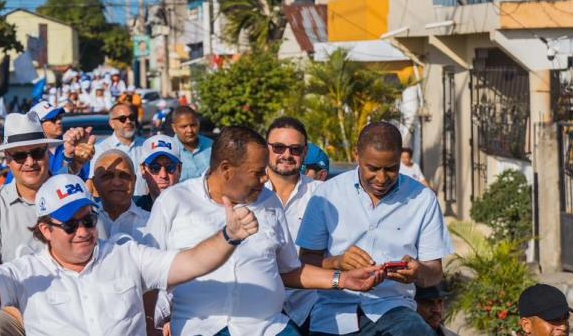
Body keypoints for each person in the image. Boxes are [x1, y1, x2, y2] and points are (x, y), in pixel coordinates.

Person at [0, 173, 276, 336]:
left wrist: (229, 235)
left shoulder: (126, 255)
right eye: (70, 225)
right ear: (45, 231)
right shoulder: (26, 271)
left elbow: (191, 262)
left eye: (88, 220)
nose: (84, 230)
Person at [146, 126, 384, 336]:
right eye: (258, 173)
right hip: (203, 328)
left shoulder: (269, 202)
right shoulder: (173, 202)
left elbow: (290, 271)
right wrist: (151, 326)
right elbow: (147, 275)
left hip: (270, 327)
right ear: (227, 169)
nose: (265, 179)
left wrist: (343, 279)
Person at [297, 122, 454, 336]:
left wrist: (418, 272)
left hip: (394, 309)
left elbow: (435, 272)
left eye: (391, 169)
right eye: (373, 168)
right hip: (333, 311)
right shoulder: (326, 195)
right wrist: (338, 263)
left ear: (401, 160)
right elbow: (305, 261)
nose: (381, 178)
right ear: (357, 156)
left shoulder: (423, 200)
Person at [0, 112, 95, 335]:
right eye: (19, 156)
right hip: (15, 309)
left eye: (36, 152)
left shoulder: (72, 192)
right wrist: (30, 317)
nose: (29, 162)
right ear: (7, 158)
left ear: (47, 153)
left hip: (76, 301)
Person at [263, 117, 320, 334]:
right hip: (257, 309)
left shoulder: (322, 195)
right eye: (278, 147)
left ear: (304, 152)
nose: (286, 155)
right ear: (266, 148)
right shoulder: (248, 193)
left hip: (310, 308)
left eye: (295, 149)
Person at [92, 150, 150, 243]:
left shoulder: (151, 222)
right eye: (108, 176)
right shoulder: (86, 222)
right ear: (95, 183)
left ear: (134, 180)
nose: (117, 183)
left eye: (124, 176)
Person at [91, 103, 148, 195]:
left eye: (131, 117)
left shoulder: (146, 145)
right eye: (122, 119)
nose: (128, 121)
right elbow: (94, 184)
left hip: (144, 206)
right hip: (114, 207)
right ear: (112, 124)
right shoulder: (101, 149)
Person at [134, 134, 182, 212]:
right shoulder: (133, 210)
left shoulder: (193, 208)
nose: (163, 175)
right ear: (143, 169)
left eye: (170, 168)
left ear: (180, 169)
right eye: (155, 168)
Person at [169, 106, 213, 180]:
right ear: (174, 128)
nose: (189, 130)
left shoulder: (211, 146)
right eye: (184, 126)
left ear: (198, 123)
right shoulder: (168, 151)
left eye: (193, 125)